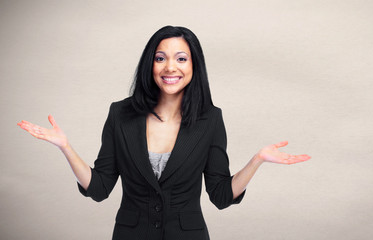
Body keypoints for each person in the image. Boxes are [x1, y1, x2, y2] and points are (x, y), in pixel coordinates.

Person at [17, 25, 310, 240]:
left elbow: (221, 195)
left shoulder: (210, 119)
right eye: (161, 58)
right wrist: (66, 147)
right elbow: (99, 188)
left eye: (181, 58)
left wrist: (257, 160)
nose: (170, 67)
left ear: (194, 66)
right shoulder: (121, 114)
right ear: (151, 63)